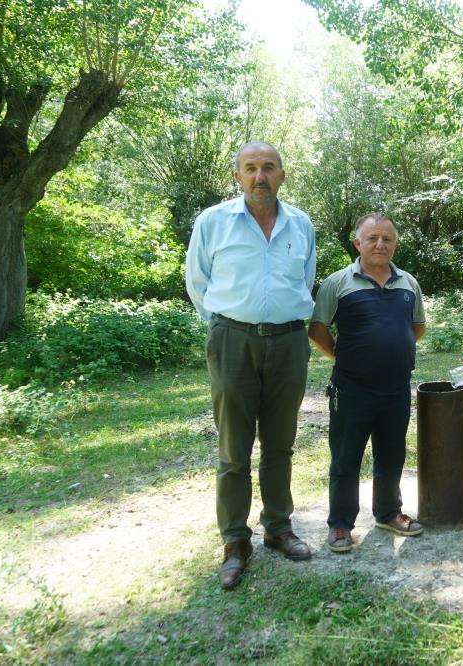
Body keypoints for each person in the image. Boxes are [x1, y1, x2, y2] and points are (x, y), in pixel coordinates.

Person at [186, 141, 316, 590]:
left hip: (289, 342)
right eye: (251, 168)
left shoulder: (301, 224)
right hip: (232, 341)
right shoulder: (213, 222)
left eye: (269, 167)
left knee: (280, 443)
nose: (260, 176)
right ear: (237, 176)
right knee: (234, 449)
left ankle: (278, 527)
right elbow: (198, 281)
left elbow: (305, 280)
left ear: (282, 174)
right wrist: (225, 327)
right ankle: (235, 542)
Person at [309, 213, 426, 553]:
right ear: (357, 243)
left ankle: (388, 513)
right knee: (346, 458)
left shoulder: (408, 284)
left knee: (391, 454)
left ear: (395, 244)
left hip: (396, 388)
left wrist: (391, 348)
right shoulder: (337, 283)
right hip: (352, 389)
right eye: (372, 238)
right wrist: (345, 357)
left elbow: (417, 327)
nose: (380, 244)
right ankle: (341, 524)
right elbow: (317, 330)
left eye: (387, 238)